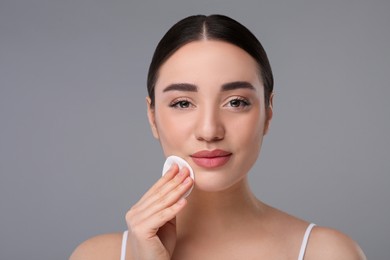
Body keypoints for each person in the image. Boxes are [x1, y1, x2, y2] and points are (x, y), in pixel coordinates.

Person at [70, 14, 366, 259]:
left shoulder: (326, 252)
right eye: (183, 103)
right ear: (153, 117)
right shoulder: (95, 255)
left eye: (236, 102)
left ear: (268, 112)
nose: (209, 131)